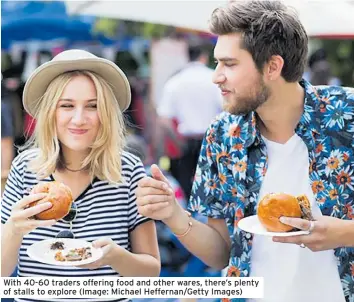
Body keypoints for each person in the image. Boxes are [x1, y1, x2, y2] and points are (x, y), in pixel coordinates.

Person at [135, 1, 354, 302]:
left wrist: (346, 233)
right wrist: (172, 214)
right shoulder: (223, 134)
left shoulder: (347, 114)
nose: (216, 76)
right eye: (216, 62)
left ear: (273, 67)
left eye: (230, 63)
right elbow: (222, 253)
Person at [1, 49, 160, 301]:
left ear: (106, 113)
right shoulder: (25, 169)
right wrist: (14, 230)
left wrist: (116, 257)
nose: (78, 119)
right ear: (51, 112)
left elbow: (150, 273)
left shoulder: (128, 170)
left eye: (92, 106)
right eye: (66, 105)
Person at [157, 43, 223, 199]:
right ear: (204, 57)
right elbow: (228, 110)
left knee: (186, 187)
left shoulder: (175, 82)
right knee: (214, 187)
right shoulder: (213, 79)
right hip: (213, 139)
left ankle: (187, 219)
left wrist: (177, 141)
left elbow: (164, 119)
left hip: (185, 142)